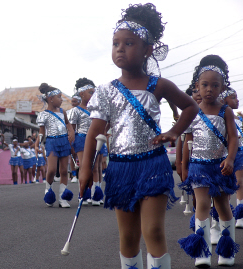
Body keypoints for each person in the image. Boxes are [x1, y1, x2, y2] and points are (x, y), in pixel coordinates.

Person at [79, 3, 199, 269]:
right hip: (120, 168)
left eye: (129, 43)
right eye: (116, 43)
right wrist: (85, 169)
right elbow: (94, 133)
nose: (120, 48)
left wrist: (174, 131)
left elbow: (192, 106)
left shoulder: (159, 85)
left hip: (153, 165)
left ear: (147, 49)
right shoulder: (106, 91)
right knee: (128, 236)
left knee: (153, 231)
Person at [178, 55, 240, 267]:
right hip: (198, 166)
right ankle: (201, 252)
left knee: (223, 205)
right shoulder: (192, 112)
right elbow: (188, 140)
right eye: (205, 85)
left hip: (221, 167)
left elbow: (233, 138)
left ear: (222, 87)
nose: (209, 89)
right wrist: (183, 167)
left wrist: (230, 159)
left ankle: (227, 250)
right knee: (202, 205)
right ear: (197, 86)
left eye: (215, 85)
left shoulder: (226, 111)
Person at [36, 83, 75, 208]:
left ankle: (63, 197)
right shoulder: (43, 114)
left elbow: (68, 124)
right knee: (52, 170)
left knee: (64, 170)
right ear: (50, 99)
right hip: (52, 142)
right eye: (59, 97)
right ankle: (48, 191)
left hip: (64, 142)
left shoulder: (63, 112)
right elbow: (41, 132)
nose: (61, 99)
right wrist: (38, 143)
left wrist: (72, 132)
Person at [68, 77, 104, 206]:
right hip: (82, 139)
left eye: (95, 92)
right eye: (90, 92)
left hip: (97, 139)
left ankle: (97, 194)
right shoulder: (75, 111)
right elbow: (71, 129)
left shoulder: (97, 109)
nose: (93, 95)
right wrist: (71, 144)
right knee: (84, 166)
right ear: (81, 94)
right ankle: (83, 193)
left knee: (97, 167)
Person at [222, 87, 243, 228]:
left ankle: (240, 214)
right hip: (225, 153)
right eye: (233, 97)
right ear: (224, 99)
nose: (237, 100)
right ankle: (225, 214)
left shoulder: (239, 119)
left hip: (240, 151)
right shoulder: (221, 116)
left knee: (240, 181)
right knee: (226, 183)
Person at [67, 94, 81, 183]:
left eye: (74, 101)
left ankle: (81, 174)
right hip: (73, 135)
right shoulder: (69, 112)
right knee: (73, 155)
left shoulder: (83, 111)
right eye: (72, 101)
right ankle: (74, 175)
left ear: (79, 102)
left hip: (81, 136)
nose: (72, 103)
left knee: (81, 156)